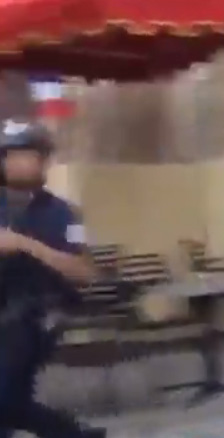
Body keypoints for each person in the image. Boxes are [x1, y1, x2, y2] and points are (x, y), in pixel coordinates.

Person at [0, 119, 104, 438]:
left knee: (4, 395)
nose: (21, 162)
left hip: (37, 315)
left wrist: (26, 246)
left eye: (30, 154)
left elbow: (86, 272)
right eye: (12, 155)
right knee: (10, 404)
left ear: (44, 160)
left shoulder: (64, 213)